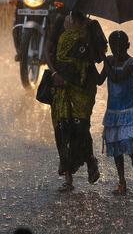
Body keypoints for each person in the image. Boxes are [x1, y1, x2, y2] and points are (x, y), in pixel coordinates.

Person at [46, 11, 106, 192]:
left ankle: (89, 160)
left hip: (83, 86)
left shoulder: (92, 26)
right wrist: (54, 73)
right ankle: (68, 178)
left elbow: (98, 57)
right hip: (61, 85)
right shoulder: (59, 22)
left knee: (81, 127)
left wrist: (89, 40)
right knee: (63, 128)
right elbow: (48, 50)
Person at [98, 30, 133, 196]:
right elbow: (99, 80)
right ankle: (122, 181)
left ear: (128, 46)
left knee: (129, 143)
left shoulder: (132, 63)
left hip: (127, 111)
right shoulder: (110, 61)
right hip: (112, 112)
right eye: (112, 47)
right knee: (116, 147)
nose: (116, 50)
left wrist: (104, 58)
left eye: (120, 47)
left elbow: (117, 78)